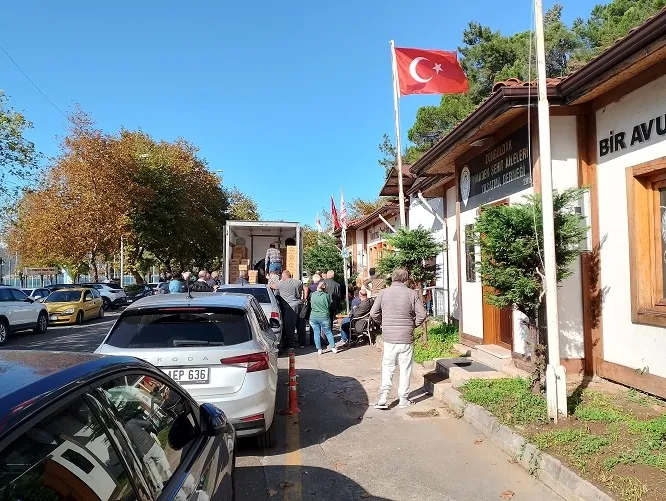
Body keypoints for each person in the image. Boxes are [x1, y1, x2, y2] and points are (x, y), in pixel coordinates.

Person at [370, 267, 427, 410]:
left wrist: (383, 323)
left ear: (393, 278)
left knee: (388, 367)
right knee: (405, 368)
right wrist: (412, 325)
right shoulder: (411, 294)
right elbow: (422, 314)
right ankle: (403, 399)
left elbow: (373, 312)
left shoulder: (383, 293)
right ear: (405, 279)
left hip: (389, 338)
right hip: (406, 338)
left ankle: (383, 397)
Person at [270, 270, 305, 348]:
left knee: (290, 326)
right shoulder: (298, 282)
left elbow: (272, 286)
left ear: (284, 277)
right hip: (300, 305)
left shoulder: (281, 283)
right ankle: (302, 343)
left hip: (290, 307)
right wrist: (304, 298)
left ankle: (290, 344)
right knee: (301, 325)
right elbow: (304, 288)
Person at [309, 281, 337, 355]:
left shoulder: (312, 294)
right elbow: (329, 305)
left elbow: (311, 304)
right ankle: (333, 347)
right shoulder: (326, 296)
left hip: (313, 316)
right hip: (324, 316)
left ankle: (319, 349)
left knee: (316, 333)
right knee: (328, 332)